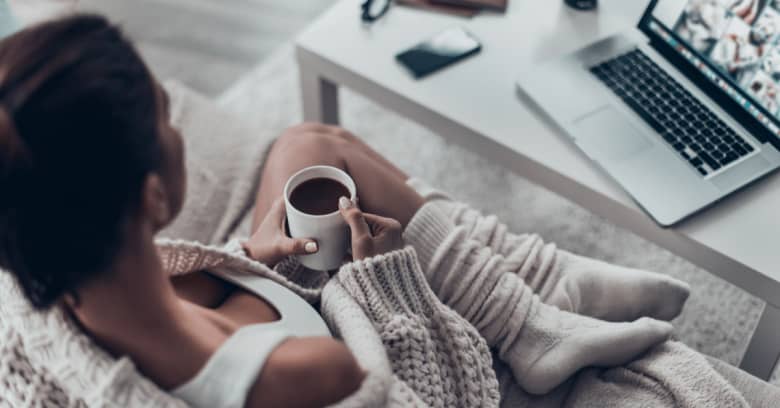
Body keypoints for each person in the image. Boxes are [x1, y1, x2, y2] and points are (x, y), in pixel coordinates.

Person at [1, 13, 778, 408]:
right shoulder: (310, 375)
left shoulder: (54, 291)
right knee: (333, 171)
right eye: (167, 116)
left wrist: (250, 258)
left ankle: (540, 297)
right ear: (149, 194)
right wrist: (384, 285)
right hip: (354, 330)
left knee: (309, 143)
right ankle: (523, 318)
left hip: (271, 303)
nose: (177, 128)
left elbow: (187, 302)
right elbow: (433, 391)